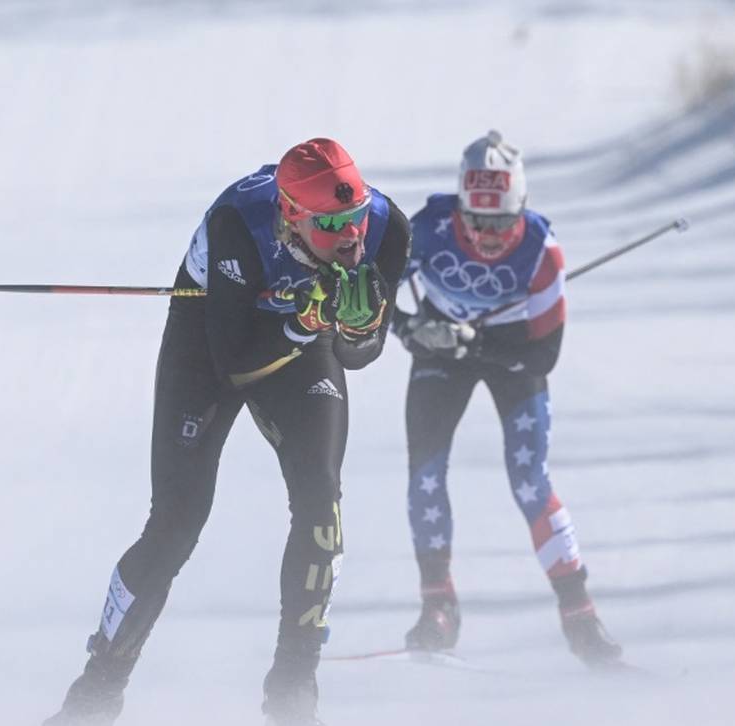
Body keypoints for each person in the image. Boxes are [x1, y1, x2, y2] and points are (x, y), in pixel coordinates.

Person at [45, 138, 410, 726]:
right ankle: (96, 690)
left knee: (322, 501)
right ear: (291, 216)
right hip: (216, 328)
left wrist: (359, 326)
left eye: (357, 215)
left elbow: (356, 354)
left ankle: (294, 688)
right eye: (333, 223)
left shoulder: (389, 230)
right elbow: (234, 364)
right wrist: (305, 319)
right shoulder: (237, 222)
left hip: (300, 332)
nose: (352, 237)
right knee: (177, 520)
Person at [391, 131, 621, 665]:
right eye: (478, 222)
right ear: (460, 209)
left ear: (522, 209)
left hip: (514, 356)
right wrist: (413, 331)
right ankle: (438, 606)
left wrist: (474, 341)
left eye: (502, 224)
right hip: (439, 354)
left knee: (530, 480)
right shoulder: (427, 229)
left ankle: (579, 612)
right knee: (424, 473)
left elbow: (544, 357)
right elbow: (372, 303)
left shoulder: (542, 250)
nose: (490, 237)